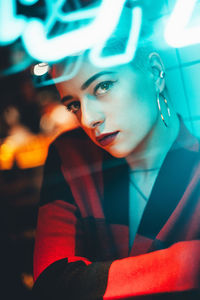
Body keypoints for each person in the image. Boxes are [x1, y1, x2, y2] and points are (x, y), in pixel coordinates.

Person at [32, 2, 200, 299]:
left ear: (155, 72)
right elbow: (52, 282)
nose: (88, 119)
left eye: (103, 86)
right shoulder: (70, 156)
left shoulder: (194, 167)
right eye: (74, 104)